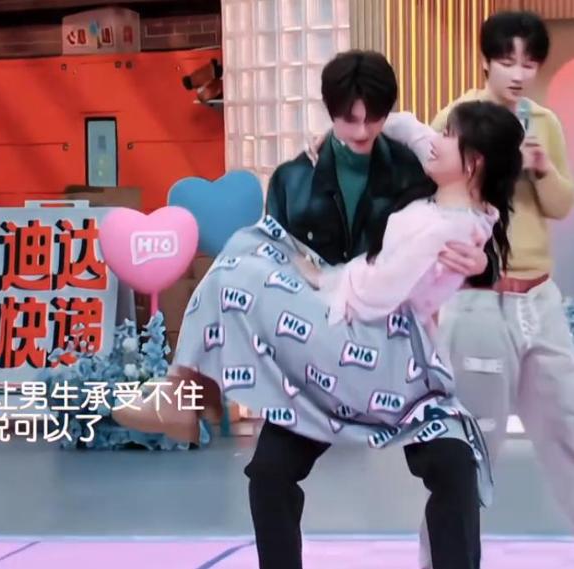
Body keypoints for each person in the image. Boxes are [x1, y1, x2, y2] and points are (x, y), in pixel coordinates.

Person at [114, 51, 518, 569]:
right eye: (349, 118)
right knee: (269, 471)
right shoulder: (293, 178)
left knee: (455, 464)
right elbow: (281, 252)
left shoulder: (416, 169)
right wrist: (305, 278)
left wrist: (481, 262)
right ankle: (187, 392)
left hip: (387, 352)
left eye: (373, 117)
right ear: (330, 112)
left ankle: (186, 392)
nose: (362, 131)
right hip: (316, 350)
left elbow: (455, 236)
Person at [383, 11, 574, 568]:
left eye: (529, 63)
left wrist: (541, 167)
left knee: (568, 428)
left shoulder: (544, 123)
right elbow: (426, 194)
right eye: (507, 61)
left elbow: (561, 205)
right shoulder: (457, 118)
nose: (518, 74)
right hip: (477, 301)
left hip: (540, 299)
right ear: (486, 61)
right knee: (468, 450)